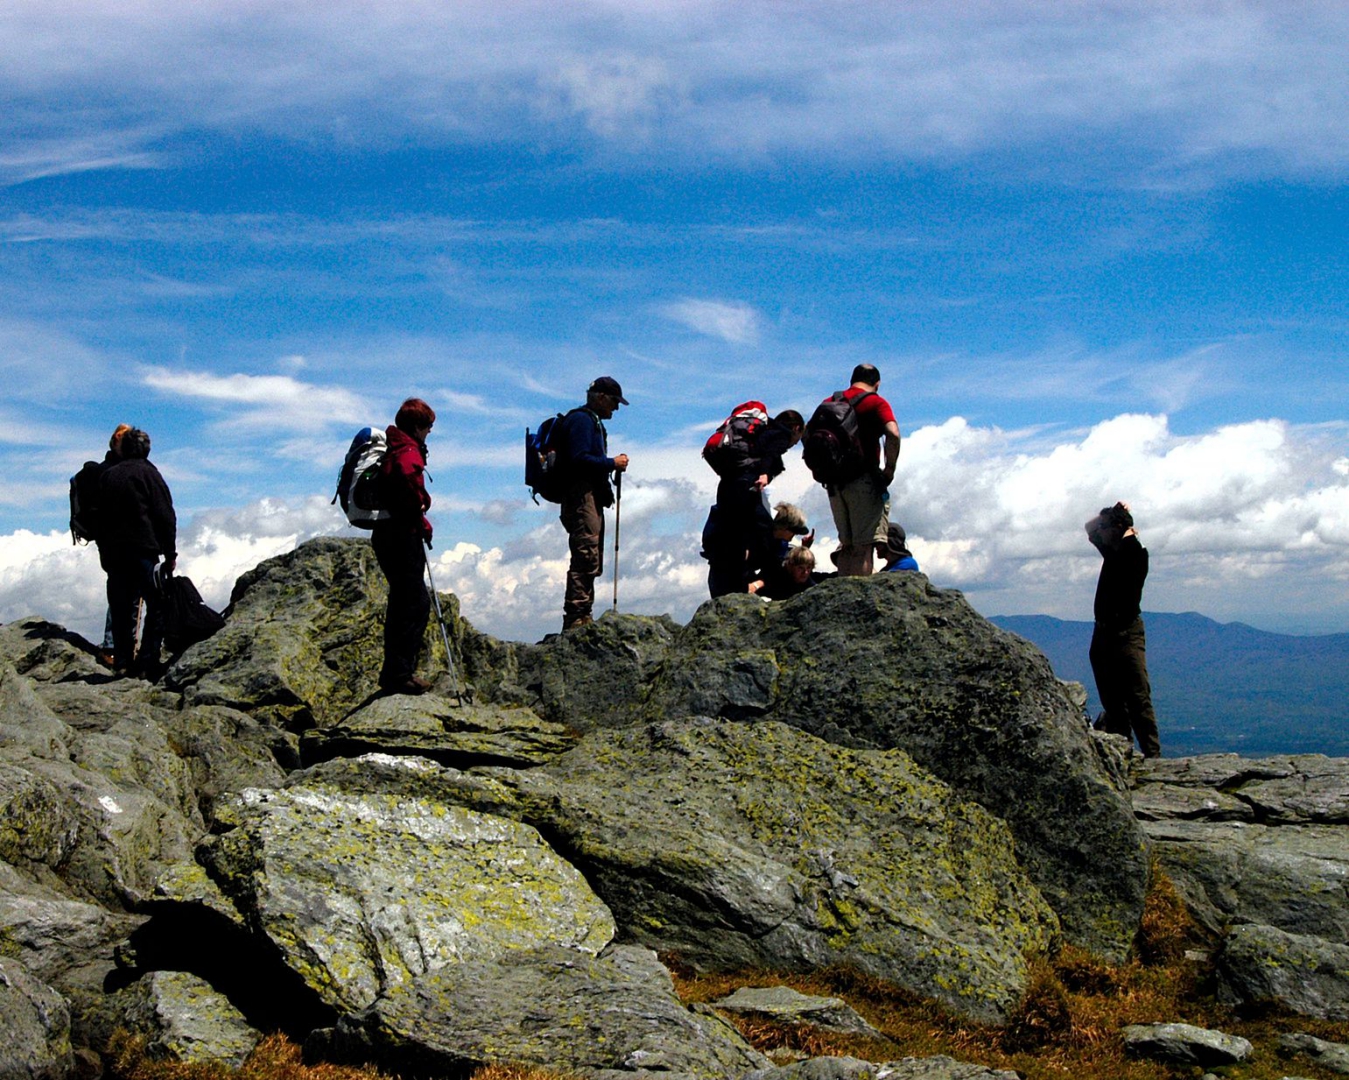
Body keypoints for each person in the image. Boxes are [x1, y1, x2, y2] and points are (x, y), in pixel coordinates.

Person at [96, 428, 176, 677]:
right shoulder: (150, 474)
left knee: (120, 608)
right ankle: (147, 661)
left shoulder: (109, 476)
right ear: (146, 449)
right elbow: (165, 515)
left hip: (114, 555)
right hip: (143, 552)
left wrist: (105, 553)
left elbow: (99, 518)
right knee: (158, 604)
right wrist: (170, 553)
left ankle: (122, 661)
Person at [1086, 502, 1161, 758]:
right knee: (1111, 698)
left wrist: (1125, 525)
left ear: (1119, 528)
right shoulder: (1112, 550)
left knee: (1137, 696)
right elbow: (1089, 528)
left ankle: (1152, 755)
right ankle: (1124, 749)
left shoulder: (1135, 554)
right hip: (1103, 633)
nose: (1101, 530)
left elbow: (1128, 545)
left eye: (1106, 527)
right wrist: (1113, 513)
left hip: (1126, 633)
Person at [372, 398, 436, 695]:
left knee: (403, 601)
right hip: (402, 535)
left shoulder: (394, 446)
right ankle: (400, 675)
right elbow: (409, 481)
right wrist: (423, 509)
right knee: (414, 603)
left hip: (387, 534)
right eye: (428, 426)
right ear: (417, 426)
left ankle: (396, 672)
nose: (430, 432)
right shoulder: (407, 451)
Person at [704, 410, 805, 598]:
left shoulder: (762, 432)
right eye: (798, 438)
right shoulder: (782, 434)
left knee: (737, 535)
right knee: (762, 532)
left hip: (728, 486)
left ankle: (737, 586)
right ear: (796, 428)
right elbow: (770, 453)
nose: (794, 443)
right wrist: (765, 474)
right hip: (747, 486)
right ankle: (745, 586)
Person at [556, 377, 629, 630]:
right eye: (613, 402)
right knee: (586, 552)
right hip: (580, 496)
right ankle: (576, 617)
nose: (616, 408)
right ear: (600, 397)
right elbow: (579, 459)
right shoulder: (581, 421)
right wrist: (612, 463)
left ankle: (583, 613)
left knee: (591, 552)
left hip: (587, 496)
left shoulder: (590, 421)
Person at [818, 364, 900, 576]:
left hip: (834, 483)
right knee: (863, 547)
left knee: (847, 545)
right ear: (877, 384)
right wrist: (889, 469)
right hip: (864, 480)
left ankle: (843, 601)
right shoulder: (875, 402)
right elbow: (893, 434)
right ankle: (859, 602)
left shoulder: (830, 402)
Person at [749, 545, 819, 600]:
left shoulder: (808, 583)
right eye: (800, 568)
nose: (805, 572)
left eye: (809, 568)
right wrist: (756, 585)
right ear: (790, 566)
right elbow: (762, 582)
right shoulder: (774, 572)